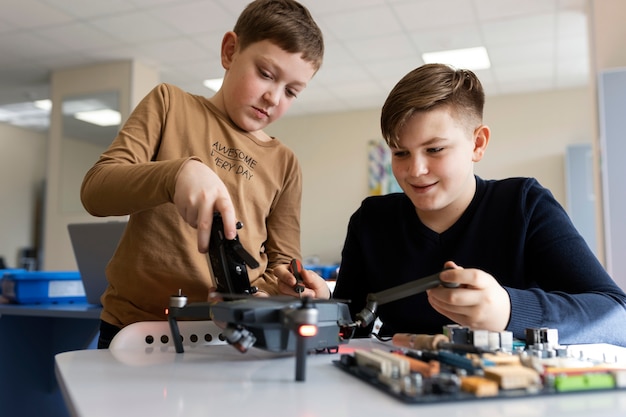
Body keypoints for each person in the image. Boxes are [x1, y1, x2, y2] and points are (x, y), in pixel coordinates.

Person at [81, 0, 330, 349]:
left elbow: (283, 266)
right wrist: (176, 174)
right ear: (230, 51)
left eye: (291, 91)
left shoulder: (285, 163)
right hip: (135, 329)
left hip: (232, 337)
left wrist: (289, 287)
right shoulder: (169, 104)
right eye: (265, 74)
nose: (273, 97)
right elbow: (95, 191)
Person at [326, 63, 626, 346]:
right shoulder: (371, 220)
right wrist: (321, 310)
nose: (415, 170)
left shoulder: (524, 204)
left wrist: (509, 310)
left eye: (435, 149)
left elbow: (617, 315)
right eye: (400, 153)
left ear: (478, 144)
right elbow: (348, 327)